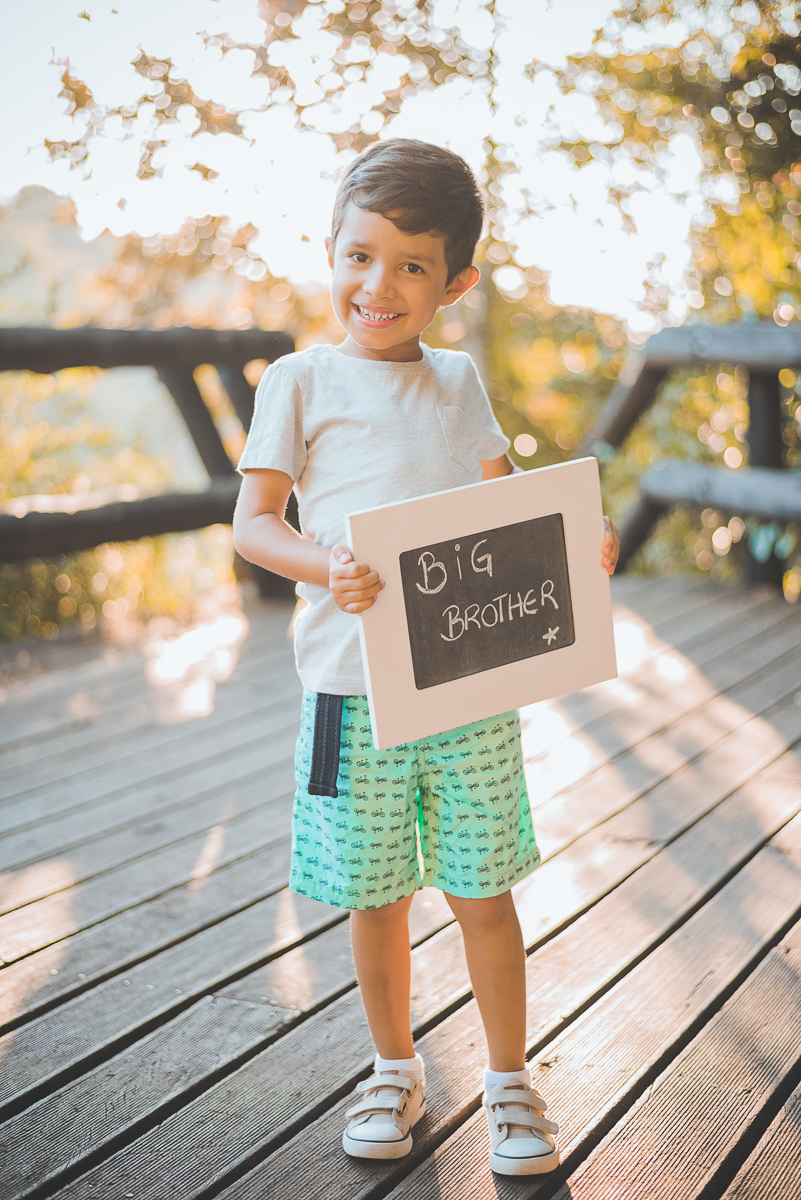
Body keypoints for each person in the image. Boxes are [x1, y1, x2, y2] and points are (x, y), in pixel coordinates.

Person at [233, 138, 620, 1177]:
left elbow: (507, 513)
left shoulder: (456, 381)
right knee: (376, 894)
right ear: (330, 253)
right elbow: (253, 524)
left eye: (411, 265)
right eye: (360, 256)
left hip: (466, 681)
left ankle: (507, 1081)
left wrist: (579, 544)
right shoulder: (302, 381)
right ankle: (393, 1067)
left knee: (483, 889)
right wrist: (325, 565)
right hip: (349, 693)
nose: (379, 284)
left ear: (456, 283)